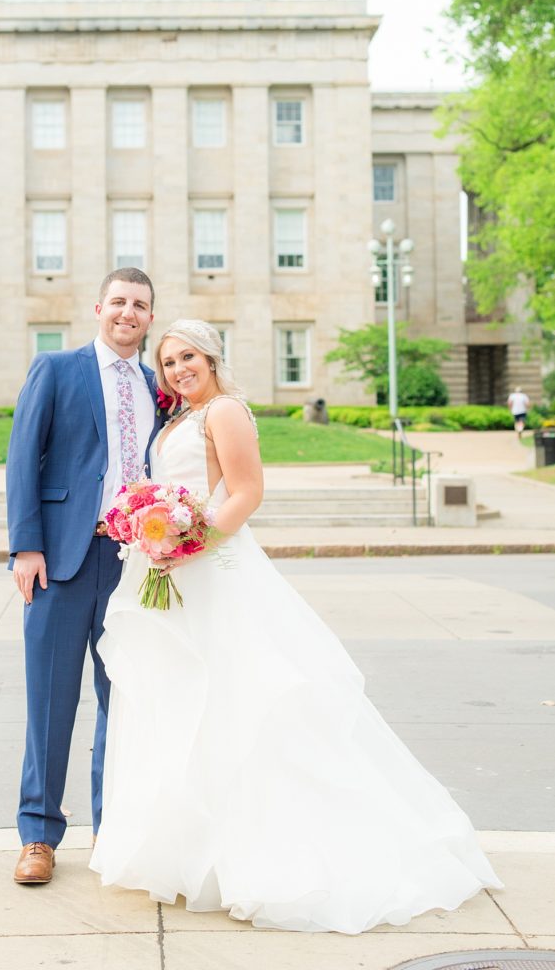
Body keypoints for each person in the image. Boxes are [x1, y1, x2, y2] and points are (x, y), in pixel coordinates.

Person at [90, 318, 501, 933]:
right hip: (172, 571)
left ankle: (259, 854)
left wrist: (189, 542)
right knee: (183, 704)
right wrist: (150, 530)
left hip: (213, 566)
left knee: (238, 703)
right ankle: (195, 854)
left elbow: (248, 491)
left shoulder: (224, 411)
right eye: (169, 361)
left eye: (189, 357)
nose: (178, 369)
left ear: (212, 358)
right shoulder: (177, 418)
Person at [6, 267, 162, 885]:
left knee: (120, 704)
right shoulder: (57, 369)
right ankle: (38, 835)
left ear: (151, 317)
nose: (128, 312)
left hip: (133, 565)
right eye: (119, 301)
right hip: (61, 562)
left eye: (140, 305)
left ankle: (111, 831)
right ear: (98, 308)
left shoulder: (157, 386)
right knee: (50, 701)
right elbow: (23, 457)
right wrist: (26, 547)